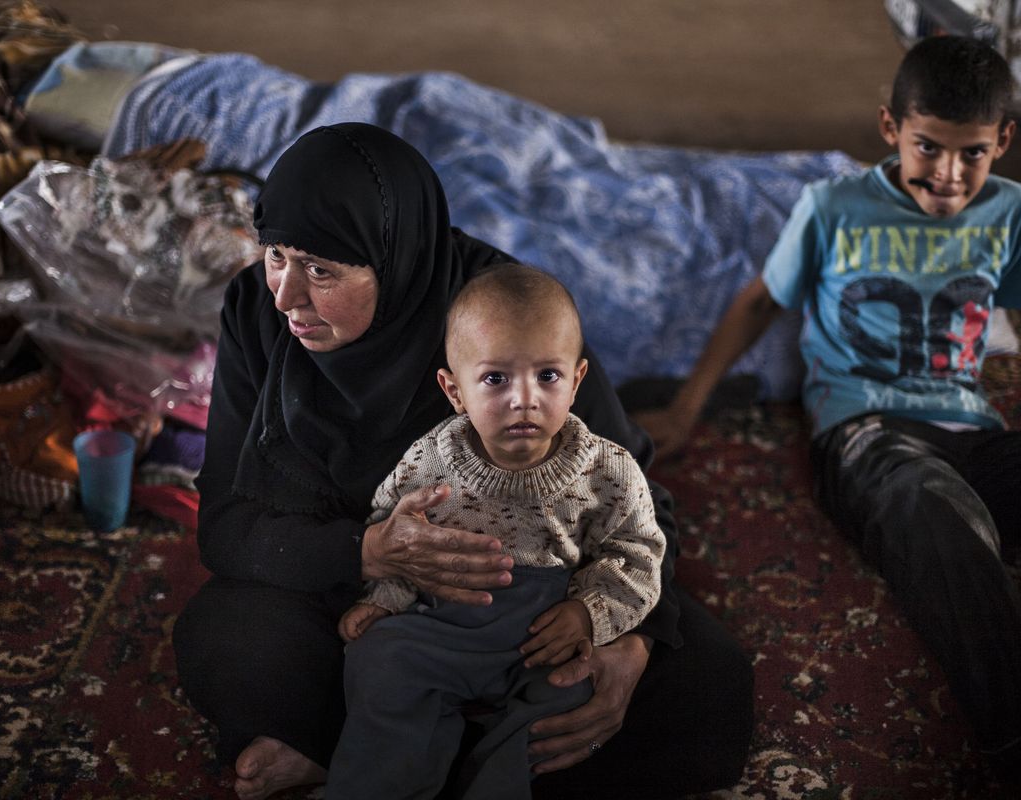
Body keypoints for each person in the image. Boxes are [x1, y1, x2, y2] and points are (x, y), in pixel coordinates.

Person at [171, 122, 754, 800]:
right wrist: (369, 552)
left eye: (322, 270)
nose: (287, 296)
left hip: (535, 605)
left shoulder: (508, 321)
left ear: (392, 257)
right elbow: (228, 524)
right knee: (224, 643)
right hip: (363, 598)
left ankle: (365, 753)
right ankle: (447, 752)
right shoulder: (256, 312)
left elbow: (639, 503)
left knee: (708, 688)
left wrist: (633, 637)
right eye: (277, 255)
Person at [635, 35, 1021, 759]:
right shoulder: (834, 206)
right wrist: (685, 406)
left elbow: (1004, 317)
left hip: (973, 438)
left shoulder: (1015, 213)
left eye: (974, 154)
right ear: (891, 127)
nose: (950, 176)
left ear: (1005, 141)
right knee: (924, 497)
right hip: (867, 435)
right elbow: (761, 300)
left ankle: (970, 530)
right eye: (929, 148)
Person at [326, 263, 667, 799]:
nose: (523, 398)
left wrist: (589, 613)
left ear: (577, 381)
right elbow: (395, 537)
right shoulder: (428, 463)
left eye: (547, 376)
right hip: (447, 628)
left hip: (544, 639)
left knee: (573, 694)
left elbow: (637, 553)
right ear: (454, 389)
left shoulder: (609, 471)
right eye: (495, 378)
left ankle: (495, 782)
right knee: (380, 660)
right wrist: (387, 599)